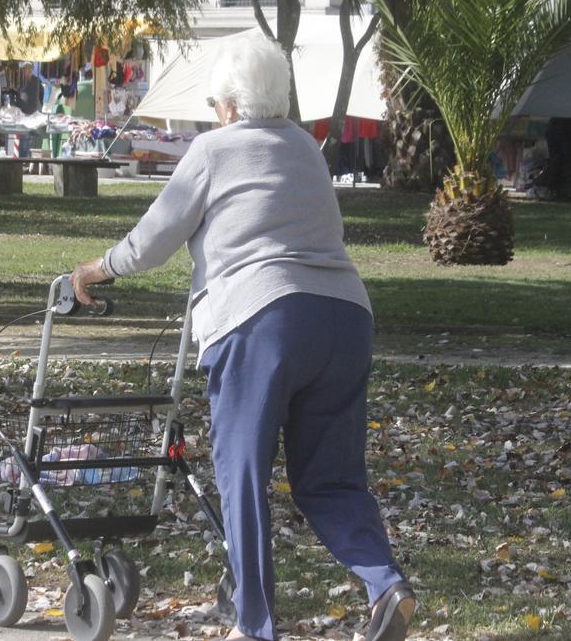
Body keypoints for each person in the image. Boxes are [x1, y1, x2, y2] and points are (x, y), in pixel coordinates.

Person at [70, 34, 414, 641]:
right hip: (345, 317)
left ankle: (254, 627)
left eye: (213, 101)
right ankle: (385, 584)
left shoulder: (213, 149)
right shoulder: (308, 151)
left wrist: (96, 270)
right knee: (330, 479)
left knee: (242, 475)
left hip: (262, 319)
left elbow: (154, 240)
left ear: (229, 105)